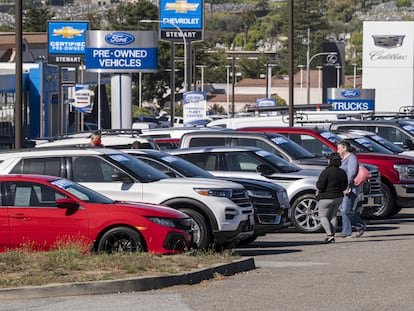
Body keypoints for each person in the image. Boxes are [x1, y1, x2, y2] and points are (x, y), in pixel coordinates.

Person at [337, 140, 367, 238]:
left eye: (339, 148)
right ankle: (346, 231)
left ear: (344, 148)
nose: (338, 151)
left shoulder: (351, 158)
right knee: (343, 209)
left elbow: (351, 173)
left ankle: (361, 225)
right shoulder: (342, 158)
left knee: (346, 210)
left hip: (350, 188)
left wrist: (346, 185)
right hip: (343, 187)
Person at [316, 152, 348, 244]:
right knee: (333, 216)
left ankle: (329, 235)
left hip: (326, 197)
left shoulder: (326, 171)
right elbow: (344, 186)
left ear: (330, 161)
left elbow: (320, 185)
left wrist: (318, 189)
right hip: (339, 197)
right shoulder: (342, 172)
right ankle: (332, 236)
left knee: (323, 216)